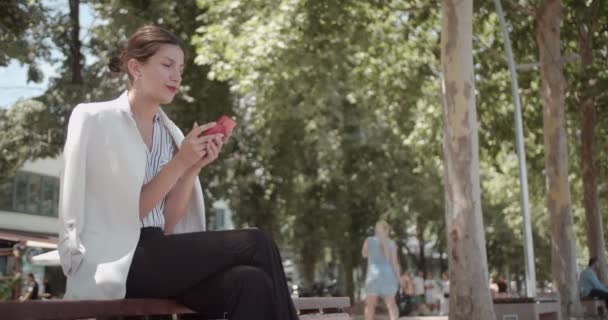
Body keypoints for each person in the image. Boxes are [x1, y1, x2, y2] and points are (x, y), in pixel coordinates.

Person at [57, 25, 298, 320]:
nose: (177, 76)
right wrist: (180, 163)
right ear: (136, 67)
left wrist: (192, 168)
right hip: (118, 255)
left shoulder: (169, 133)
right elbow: (124, 216)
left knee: (250, 282)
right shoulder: (96, 119)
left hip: (158, 253)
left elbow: (168, 221)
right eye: (167, 65)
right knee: (256, 242)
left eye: (180, 69)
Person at [362, 220, 400, 320]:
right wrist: (399, 279)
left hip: (373, 276)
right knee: (392, 306)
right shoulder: (391, 243)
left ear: (376, 230)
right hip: (388, 275)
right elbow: (395, 264)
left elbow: (364, 255)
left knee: (370, 306)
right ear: (387, 230)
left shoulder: (369, 240)